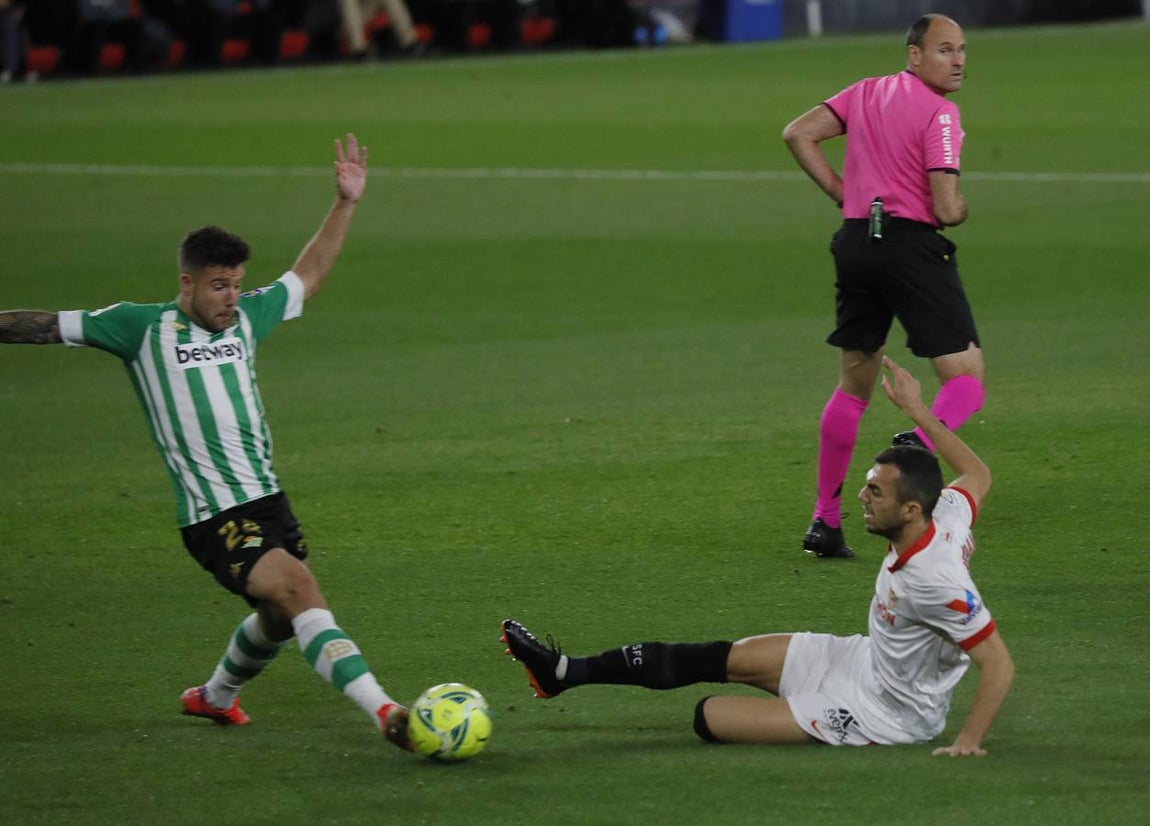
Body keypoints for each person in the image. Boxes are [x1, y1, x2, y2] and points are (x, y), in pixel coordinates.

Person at [0, 135, 413, 753]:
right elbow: (37, 326)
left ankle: (213, 697)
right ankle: (387, 713)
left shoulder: (247, 317)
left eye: (238, 284)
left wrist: (345, 203)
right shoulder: (138, 327)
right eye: (219, 285)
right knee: (301, 591)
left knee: (278, 619)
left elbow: (310, 273)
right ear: (187, 282)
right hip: (213, 516)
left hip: (269, 501)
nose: (231, 298)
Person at [502, 356, 1014, 755]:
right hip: (862, 660)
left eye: (875, 492)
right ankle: (563, 672)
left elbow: (998, 665)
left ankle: (811, 715)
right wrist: (919, 412)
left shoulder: (937, 580)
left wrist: (967, 741)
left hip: (886, 712)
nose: (861, 497)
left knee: (709, 716)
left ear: (908, 510)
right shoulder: (944, 510)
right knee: (722, 656)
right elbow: (979, 476)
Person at [782, 13, 985, 558]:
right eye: (945, 50)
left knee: (853, 385)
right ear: (915, 55)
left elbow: (798, 133)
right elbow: (945, 206)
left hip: (855, 244)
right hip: (910, 247)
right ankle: (915, 444)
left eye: (962, 50)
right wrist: (960, 209)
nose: (959, 60)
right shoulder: (942, 114)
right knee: (966, 381)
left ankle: (825, 520)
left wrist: (844, 196)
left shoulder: (866, 92)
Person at [338, 0, 421, 58]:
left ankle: (410, 43)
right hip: (340, 17)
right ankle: (359, 50)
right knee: (348, 2)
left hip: (364, 12)